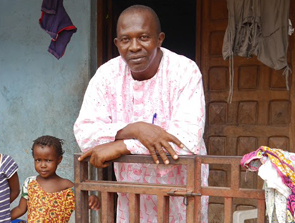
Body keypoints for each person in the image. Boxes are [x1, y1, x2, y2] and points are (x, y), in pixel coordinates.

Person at [73, 5, 209, 223]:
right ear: (117, 43)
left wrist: (122, 145)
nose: (134, 47)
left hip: (181, 192)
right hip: (132, 196)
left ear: (159, 39)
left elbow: (186, 140)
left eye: (144, 37)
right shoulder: (107, 75)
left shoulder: (185, 71)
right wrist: (136, 129)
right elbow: (85, 134)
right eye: (126, 40)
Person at [10, 135, 100, 222]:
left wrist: (93, 199)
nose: (43, 165)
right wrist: (0, 219)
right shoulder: (30, 182)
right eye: (38, 160)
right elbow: (20, 209)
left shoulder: (66, 186)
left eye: (48, 160)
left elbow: (85, 201)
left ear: (59, 159)